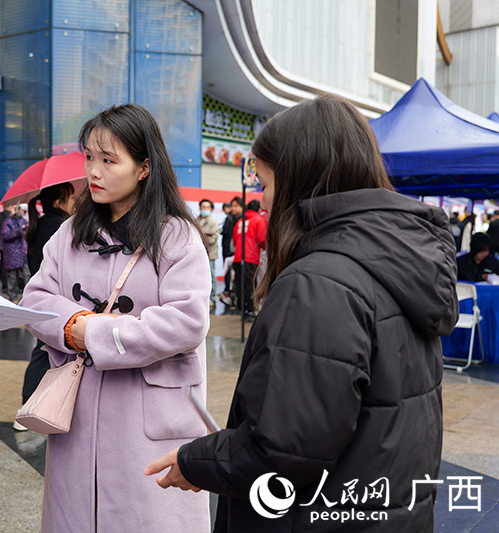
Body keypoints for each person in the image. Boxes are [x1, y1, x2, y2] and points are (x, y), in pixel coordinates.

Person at [145, 94, 458, 532]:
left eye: (266, 185)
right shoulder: (400, 263)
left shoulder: (318, 283)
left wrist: (195, 460)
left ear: (298, 181)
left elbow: (284, 453)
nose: (263, 200)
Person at [20, 104, 211, 532]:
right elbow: (36, 296)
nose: (94, 171)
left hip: (148, 421)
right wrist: (71, 327)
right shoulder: (70, 232)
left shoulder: (177, 236)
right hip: (78, 416)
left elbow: (188, 321)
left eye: (109, 160)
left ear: (144, 168)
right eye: (90, 157)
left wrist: (97, 333)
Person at [14, 182, 76, 431]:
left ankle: (33, 404)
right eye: (71, 198)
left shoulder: (41, 224)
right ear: (59, 202)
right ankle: (28, 406)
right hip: (55, 301)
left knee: (43, 351)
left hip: (45, 299)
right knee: (43, 352)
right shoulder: (59, 228)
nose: (75, 202)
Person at [231, 198, 266, 316]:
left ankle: (242, 309)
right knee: (251, 284)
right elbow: (262, 240)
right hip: (251, 257)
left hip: (238, 257)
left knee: (240, 284)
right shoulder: (258, 220)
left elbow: (235, 241)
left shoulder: (240, 221)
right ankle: (251, 309)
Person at [219, 196, 243, 307]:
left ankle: (236, 299)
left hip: (239, 253)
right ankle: (231, 296)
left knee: (237, 277)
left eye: (236, 206)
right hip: (229, 251)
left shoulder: (243, 220)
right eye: (232, 206)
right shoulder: (230, 218)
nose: (233, 208)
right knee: (231, 275)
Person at [1, 205, 29, 303]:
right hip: (12, 253)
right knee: (12, 276)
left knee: (27, 274)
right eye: (21, 209)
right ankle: (13, 297)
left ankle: (28, 297)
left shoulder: (24, 221)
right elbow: (6, 235)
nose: (22, 212)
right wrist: (18, 230)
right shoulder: (8, 221)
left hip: (23, 252)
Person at [196, 199, 220, 309]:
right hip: (196, 255)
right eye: (203, 207)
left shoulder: (213, 222)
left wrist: (200, 236)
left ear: (211, 209)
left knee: (211, 276)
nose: (205, 209)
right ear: (200, 208)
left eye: (207, 207)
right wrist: (205, 234)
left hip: (210, 254)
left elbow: (213, 239)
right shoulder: (195, 221)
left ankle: (212, 298)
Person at [0, 204, 12, 296]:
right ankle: (11, 286)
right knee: (11, 265)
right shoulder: (12, 218)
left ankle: (4, 285)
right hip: (10, 245)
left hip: (0, 245)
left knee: (2, 264)